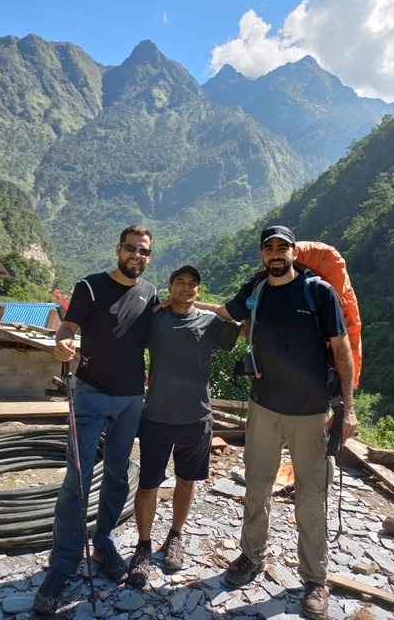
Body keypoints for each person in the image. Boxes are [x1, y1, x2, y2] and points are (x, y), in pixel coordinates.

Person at [191, 226, 358, 620]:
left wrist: (347, 408)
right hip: (263, 407)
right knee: (257, 487)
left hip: (311, 410)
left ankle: (315, 579)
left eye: (283, 247)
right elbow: (224, 312)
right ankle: (251, 556)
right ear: (262, 255)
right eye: (269, 248)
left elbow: (342, 348)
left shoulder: (318, 292)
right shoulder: (256, 292)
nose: (276, 253)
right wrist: (180, 304)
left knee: (311, 495)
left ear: (294, 251)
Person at [34, 224, 158, 614]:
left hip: (130, 399)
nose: (137, 256)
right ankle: (63, 563)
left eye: (144, 251)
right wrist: (62, 342)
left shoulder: (150, 292)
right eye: (131, 249)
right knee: (78, 477)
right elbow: (69, 326)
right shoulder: (89, 287)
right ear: (118, 249)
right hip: (90, 395)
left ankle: (102, 543)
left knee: (118, 476)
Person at [127, 265, 242, 586]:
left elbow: (245, 329)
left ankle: (175, 537)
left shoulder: (209, 323)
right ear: (170, 286)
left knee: (186, 481)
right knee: (148, 485)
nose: (187, 288)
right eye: (181, 283)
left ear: (199, 290)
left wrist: (202, 307)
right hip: (157, 418)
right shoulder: (155, 320)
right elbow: (125, 325)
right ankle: (144, 546)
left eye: (193, 284)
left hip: (197, 419)